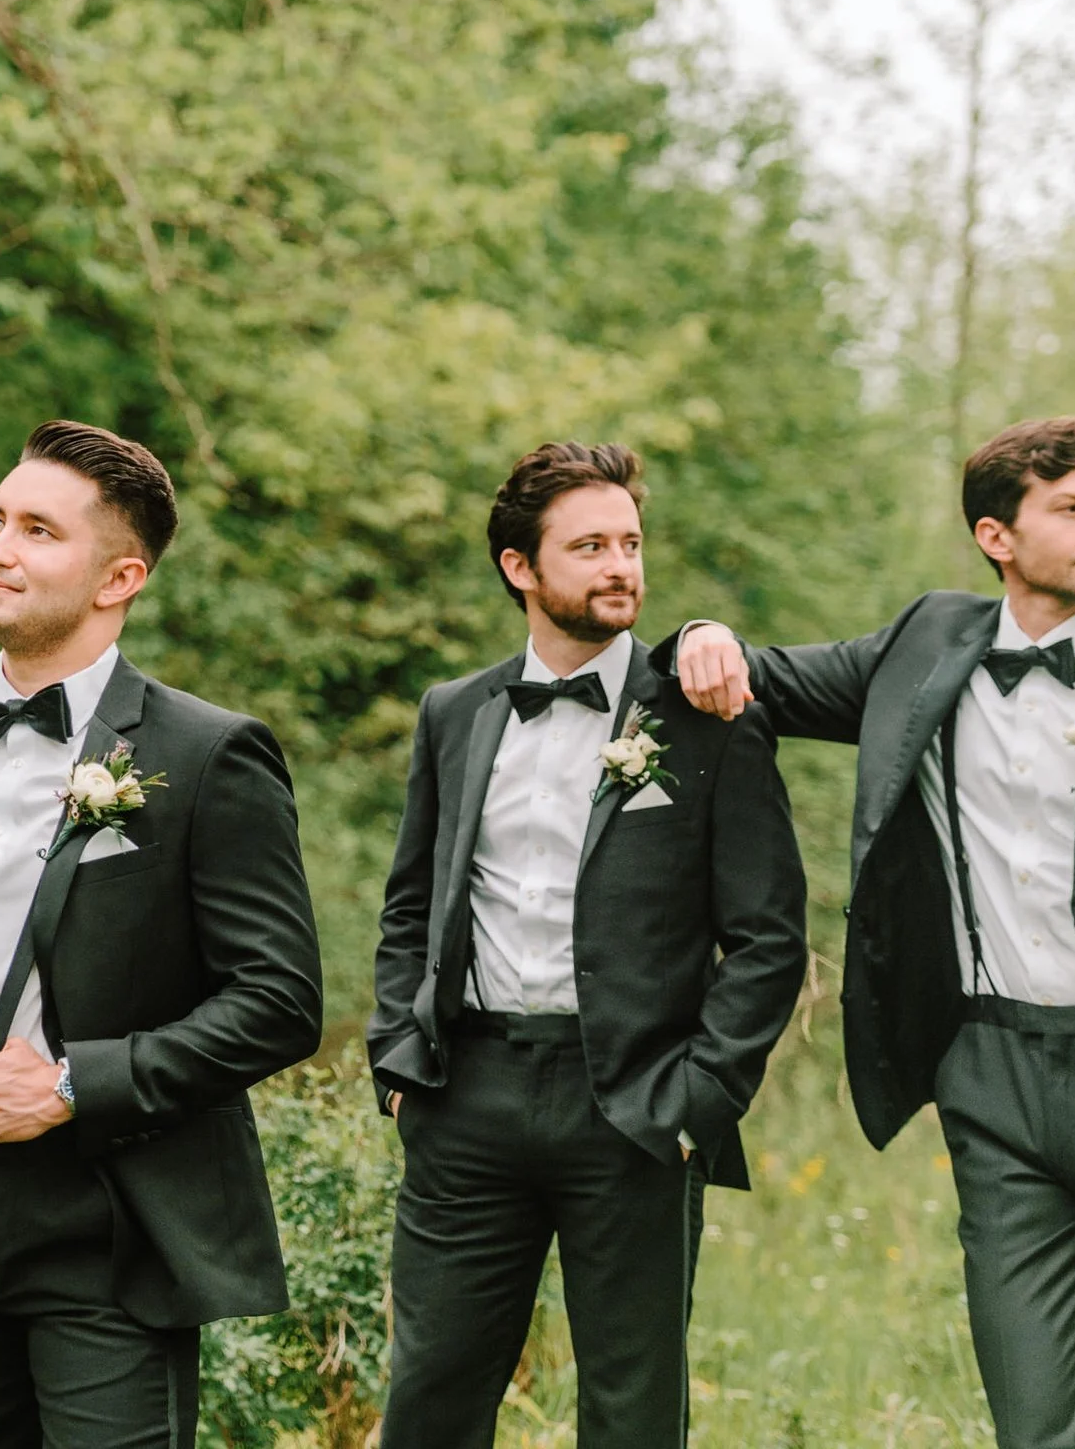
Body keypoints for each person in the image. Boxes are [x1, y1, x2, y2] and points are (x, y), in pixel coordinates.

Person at [671, 416, 1075, 1449]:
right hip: (991, 1083)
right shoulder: (922, 643)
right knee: (1034, 1420)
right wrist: (698, 632)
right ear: (995, 535)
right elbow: (753, 678)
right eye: (1070, 509)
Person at [0, 420, 324, 1449]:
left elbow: (278, 999)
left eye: (37, 529)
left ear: (117, 575)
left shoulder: (208, 753)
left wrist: (73, 1082)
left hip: (108, 1209)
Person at [366, 441, 807, 1447]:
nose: (622, 566)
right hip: (465, 1095)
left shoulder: (708, 719)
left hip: (635, 1104)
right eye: (591, 545)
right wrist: (398, 1056)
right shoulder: (453, 712)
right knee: (429, 1390)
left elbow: (769, 937)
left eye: (631, 542)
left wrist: (699, 1096)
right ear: (520, 567)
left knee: (630, 1405)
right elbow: (410, 902)